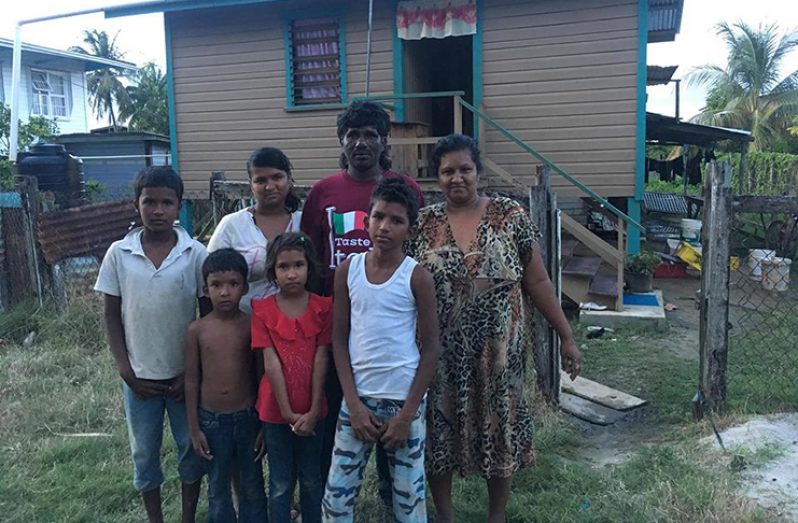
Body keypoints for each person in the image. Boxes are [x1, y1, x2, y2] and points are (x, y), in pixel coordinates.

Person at [407, 134, 583, 523]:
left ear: (479, 172)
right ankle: (446, 515)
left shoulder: (510, 215)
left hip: (501, 354)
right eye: (447, 171)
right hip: (440, 355)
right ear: (437, 177)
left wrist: (566, 336)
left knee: (500, 428)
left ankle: (496, 516)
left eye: (465, 169)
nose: (457, 178)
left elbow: (537, 282)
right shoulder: (423, 223)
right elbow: (403, 287)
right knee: (439, 428)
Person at [300, 101, 425, 497]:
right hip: (335, 329)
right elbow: (311, 258)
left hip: (390, 332)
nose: (360, 142)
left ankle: (392, 495)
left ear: (383, 140)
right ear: (341, 140)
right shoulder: (322, 193)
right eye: (352, 134)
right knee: (337, 415)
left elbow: (416, 255)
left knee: (392, 425)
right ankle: (327, 494)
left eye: (370, 134)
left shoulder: (406, 189)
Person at [322, 178, 440, 522]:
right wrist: (354, 405)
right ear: (366, 220)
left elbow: (431, 348)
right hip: (358, 400)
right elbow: (338, 340)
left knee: (408, 501)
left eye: (396, 220)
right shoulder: (348, 271)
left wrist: (406, 415)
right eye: (378, 217)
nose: (384, 227)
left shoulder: (416, 277)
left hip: (404, 401)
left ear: (411, 230)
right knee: (337, 498)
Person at [94, 166, 207, 523]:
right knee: (144, 452)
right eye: (149, 202)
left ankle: (187, 516)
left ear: (178, 207)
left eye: (166, 203)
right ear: (136, 204)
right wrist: (125, 370)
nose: (157, 210)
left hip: (182, 379)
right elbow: (112, 315)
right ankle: (155, 518)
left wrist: (192, 372)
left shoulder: (195, 253)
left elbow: (207, 319)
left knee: (190, 448)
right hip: (139, 378)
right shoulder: (119, 253)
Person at [251, 232, 331, 523]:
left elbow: (323, 357)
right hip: (275, 411)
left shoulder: (324, 308)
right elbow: (270, 362)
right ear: (272, 271)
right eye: (283, 267)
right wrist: (285, 410)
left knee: (311, 479)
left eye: (299, 265)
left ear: (309, 267)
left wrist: (311, 410)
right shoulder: (262, 310)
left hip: (314, 410)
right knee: (281, 483)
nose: (292, 273)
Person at [185, 248, 268, 522]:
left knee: (253, 487)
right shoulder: (197, 330)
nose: (224, 292)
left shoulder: (251, 325)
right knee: (218, 489)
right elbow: (192, 379)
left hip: (247, 420)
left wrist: (262, 424)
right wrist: (195, 428)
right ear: (205, 289)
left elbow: (260, 376)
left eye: (233, 284)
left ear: (244, 287)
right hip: (211, 423)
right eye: (216, 285)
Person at [208, 146, 303, 314]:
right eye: (261, 180)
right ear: (251, 185)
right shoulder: (231, 225)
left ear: (288, 179)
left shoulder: (304, 223)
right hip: (242, 328)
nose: (269, 186)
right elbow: (212, 276)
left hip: (294, 326)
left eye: (277, 177)